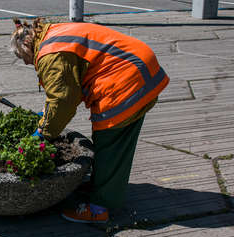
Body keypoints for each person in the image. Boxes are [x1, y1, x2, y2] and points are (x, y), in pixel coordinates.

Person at [10, 18, 169, 223]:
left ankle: (98, 209)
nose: (26, 62)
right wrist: (46, 112)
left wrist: (42, 133)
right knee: (113, 142)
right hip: (138, 67)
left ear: (26, 45)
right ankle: (101, 185)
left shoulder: (49, 54)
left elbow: (63, 100)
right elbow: (68, 85)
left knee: (110, 143)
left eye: (24, 58)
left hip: (126, 79)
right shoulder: (51, 34)